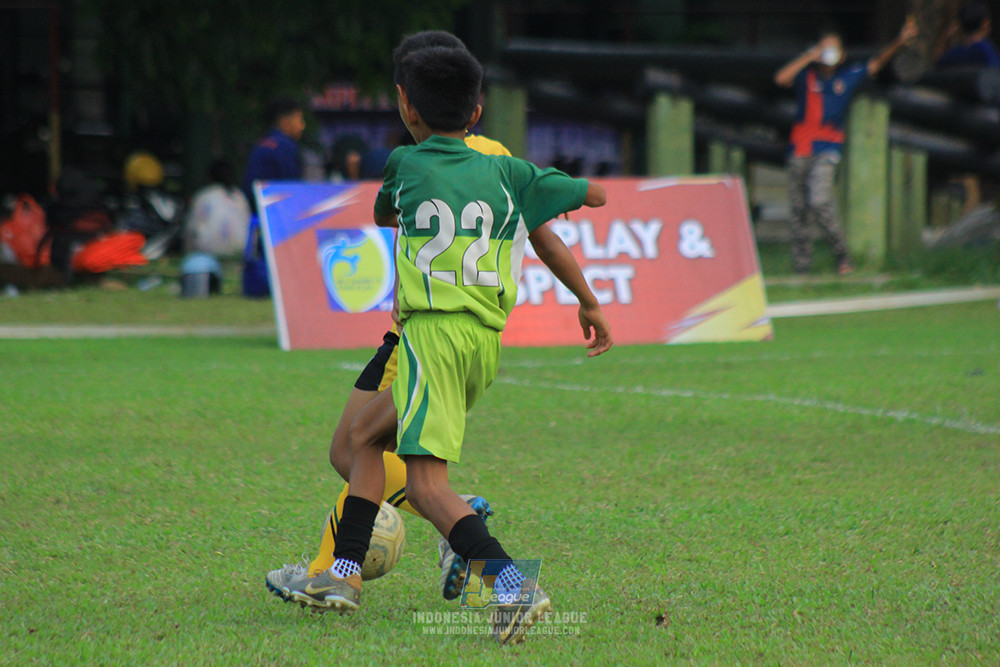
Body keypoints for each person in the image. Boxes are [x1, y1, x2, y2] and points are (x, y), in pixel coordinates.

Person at [266, 31, 612, 616]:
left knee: (425, 484)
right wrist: (589, 297)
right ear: (476, 107)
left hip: (431, 333)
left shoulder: (407, 162)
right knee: (359, 441)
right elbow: (588, 199)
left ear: (406, 104)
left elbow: (385, 211)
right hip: (478, 337)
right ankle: (344, 575)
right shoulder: (508, 168)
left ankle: (507, 581)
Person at [774, 19, 917, 275]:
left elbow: (876, 63)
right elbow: (781, 78)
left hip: (827, 149)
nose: (829, 54)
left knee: (820, 201)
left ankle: (842, 255)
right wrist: (809, 57)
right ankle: (802, 268)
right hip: (799, 148)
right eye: (824, 49)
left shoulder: (847, 77)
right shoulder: (806, 76)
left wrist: (899, 41)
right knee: (798, 211)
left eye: (833, 49)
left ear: (842, 55)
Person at [184, 160, 251, 256]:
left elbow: (190, 231)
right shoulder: (240, 196)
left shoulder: (204, 196)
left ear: (210, 177)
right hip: (240, 251)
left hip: (209, 253)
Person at [936, 1, 1000, 69]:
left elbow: (937, 61)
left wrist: (946, 36)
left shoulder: (956, 52)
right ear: (985, 23)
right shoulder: (986, 50)